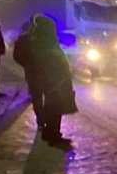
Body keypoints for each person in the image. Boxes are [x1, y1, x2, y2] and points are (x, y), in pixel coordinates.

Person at [30, 15, 77, 149]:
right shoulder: (44, 42)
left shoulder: (41, 39)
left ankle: (49, 133)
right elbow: (50, 62)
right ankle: (54, 136)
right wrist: (59, 76)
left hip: (52, 80)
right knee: (55, 109)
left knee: (52, 108)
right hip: (54, 81)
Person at [13, 17, 44, 131]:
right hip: (46, 70)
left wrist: (26, 64)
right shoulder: (43, 37)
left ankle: (41, 121)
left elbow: (16, 56)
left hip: (32, 71)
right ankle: (47, 121)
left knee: (37, 96)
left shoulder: (22, 39)